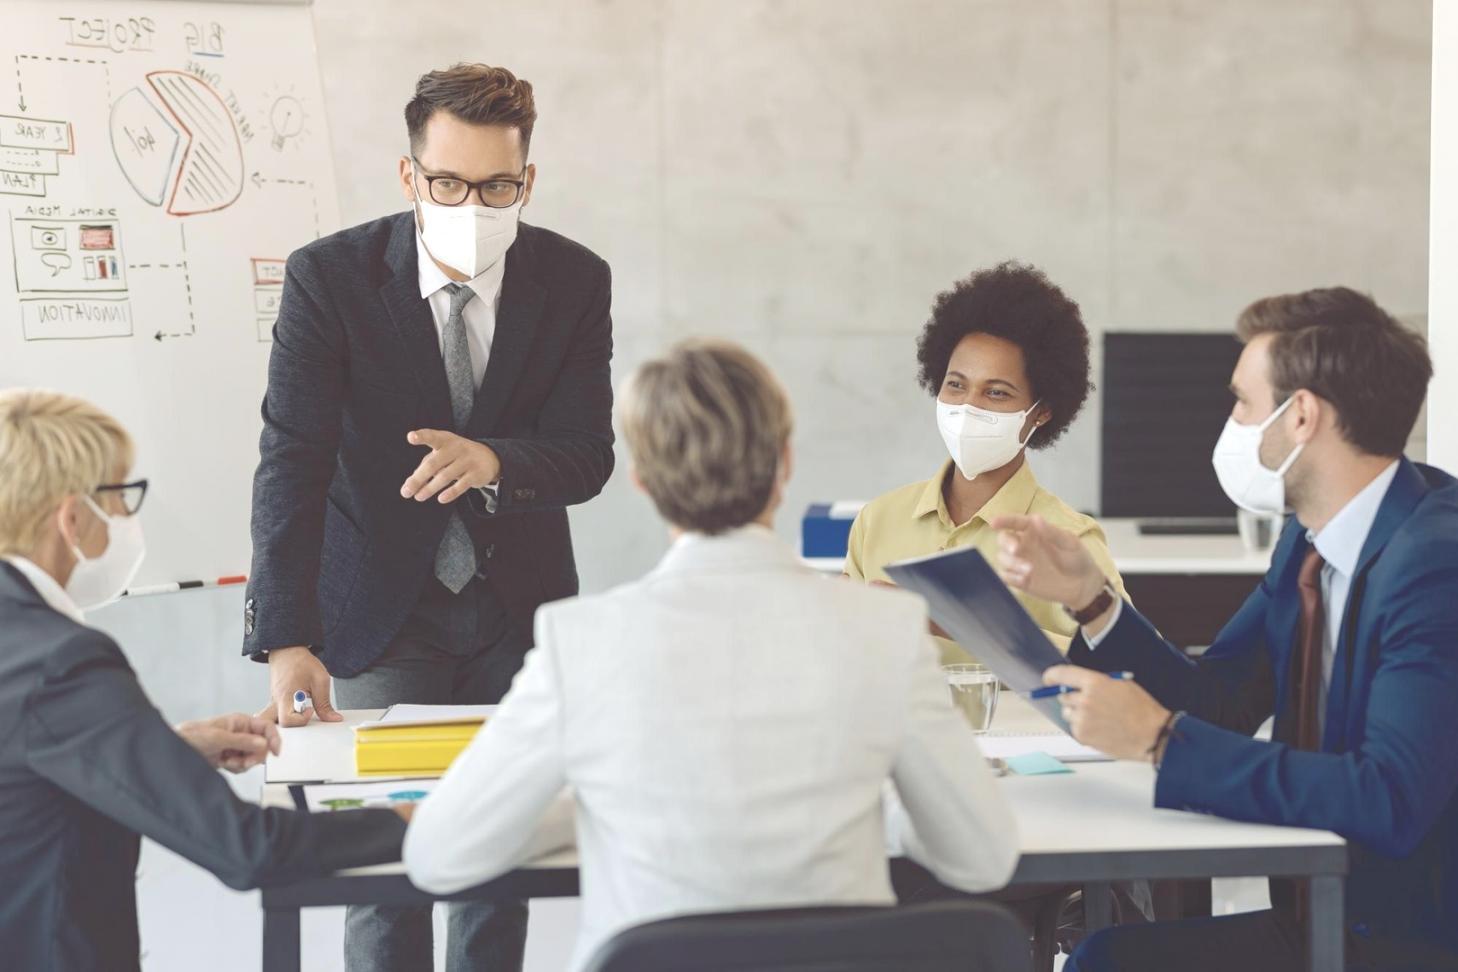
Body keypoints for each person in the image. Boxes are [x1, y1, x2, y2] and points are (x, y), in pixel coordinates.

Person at [402, 340, 1020, 972]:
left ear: (642, 480)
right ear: (785, 465)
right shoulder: (886, 629)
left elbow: (441, 855)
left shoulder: (580, 639)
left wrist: (587, 808)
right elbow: (982, 857)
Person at [244, 64, 615, 971]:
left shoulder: (572, 280)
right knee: (387, 867)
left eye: (497, 186)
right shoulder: (329, 278)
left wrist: (496, 463)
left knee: (495, 865)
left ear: (527, 180)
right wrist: (286, 634)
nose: (472, 203)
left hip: (513, 609)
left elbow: (588, 454)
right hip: (377, 610)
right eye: (448, 183)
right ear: (410, 176)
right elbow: (291, 461)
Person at [993, 288, 1458, 971]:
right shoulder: (1306, 540)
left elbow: (1387, 797)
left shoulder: (1434, 563)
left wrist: (1157, 741)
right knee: (1104, 956)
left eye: (1242, 402)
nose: (1231, 422)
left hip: (1397, 942)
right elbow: (1221, 704)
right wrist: (1094, 600)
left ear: (1302, 415)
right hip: (1313, 919)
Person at [0, 389, 406, 972]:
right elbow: (251, 849)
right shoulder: (62, 662)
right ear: (71, 518)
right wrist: (414, 819)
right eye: (119, 496)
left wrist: (164, 749)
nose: (128, 519)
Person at [844, 262, 1124, 662]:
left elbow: (1128, 674)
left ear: (1041, 412)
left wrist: (958, 622)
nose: (968, 407)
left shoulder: (1068, 540)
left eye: (996, 393)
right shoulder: (877, 521)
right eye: (956, 385)